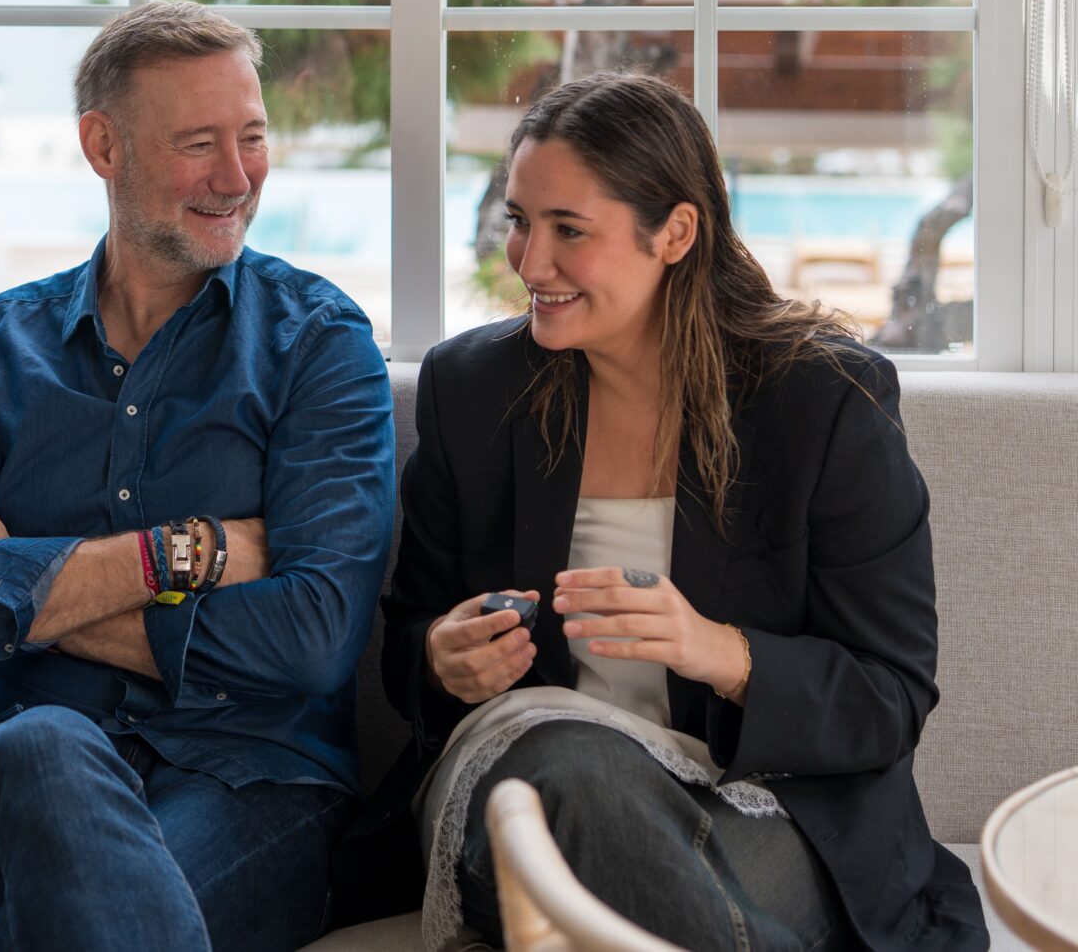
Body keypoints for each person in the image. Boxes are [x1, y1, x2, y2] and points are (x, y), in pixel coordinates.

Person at [381, 72, 987, 951]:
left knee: (591, 829)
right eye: (519, 219)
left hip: (761, 810)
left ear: (675, 231)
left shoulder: (822, 400)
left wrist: (719, 651)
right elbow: (405, 644)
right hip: (537, 790)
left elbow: (889, 694)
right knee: (568, 769)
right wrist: (442, 660)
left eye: (568, 230)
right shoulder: (472, 390)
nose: (529, 261)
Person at [0, 1, 397, 952]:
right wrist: (181, 555)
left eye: (253, 136)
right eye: (199, 143)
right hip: (24, 766)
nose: (236, 178)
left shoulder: (318, 344)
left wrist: (18, 575)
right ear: (102, 145)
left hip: (255, 781)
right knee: (44, 744)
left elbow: (316, 635)